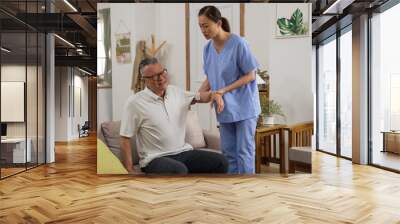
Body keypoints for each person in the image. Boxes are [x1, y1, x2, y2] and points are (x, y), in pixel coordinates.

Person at [119, 57, 228, 174]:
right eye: (154, 76)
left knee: (221, 162)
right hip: (155, 159)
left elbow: (200, 97)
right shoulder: (135, 103)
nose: (161, 78)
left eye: (162, 73)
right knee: (179, 170)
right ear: (144, 79)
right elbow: (125, 138)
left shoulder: (175, 92)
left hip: (183, 152)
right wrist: (129, 169)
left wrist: (214, 95)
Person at [198, 5, 261, 174]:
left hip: (245, 107)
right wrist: (194, 96)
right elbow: (211, 77)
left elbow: (251, 75)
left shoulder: (238, 43)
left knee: (244, 152)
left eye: (206, 25)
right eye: (200, 26)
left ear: (218, 23)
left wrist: (222, 91)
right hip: (225, 108)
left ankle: (247, 189)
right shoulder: (207, 49)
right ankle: (233, 190)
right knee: (228, 154)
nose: (203, 30)